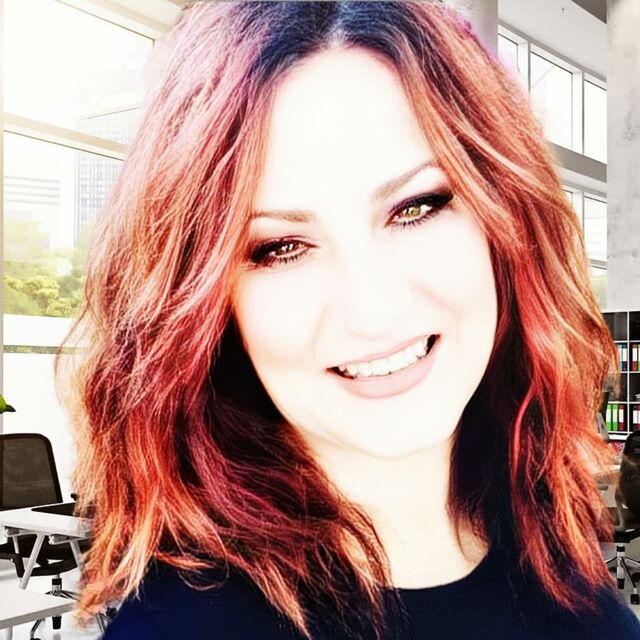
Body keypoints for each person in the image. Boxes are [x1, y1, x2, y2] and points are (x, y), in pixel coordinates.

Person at [56, 2, 640, 639]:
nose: (373, 309)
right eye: (281, 247)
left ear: (508, 219)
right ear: (208, 305)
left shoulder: (554, 555)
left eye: (415, 207)